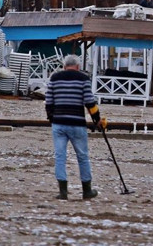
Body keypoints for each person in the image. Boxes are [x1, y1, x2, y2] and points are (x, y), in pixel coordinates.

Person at [44, 54, 107, 200]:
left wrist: (52, 118)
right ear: (78, 67)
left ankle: (63, 192)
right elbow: (90, 102)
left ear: (64, 66)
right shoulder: (83, 79)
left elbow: (49, 102)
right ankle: (87, 191)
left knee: (60, 156)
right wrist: (97, 120)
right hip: (77, 123)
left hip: (59, 123)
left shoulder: (54, 78)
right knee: (83, 157)